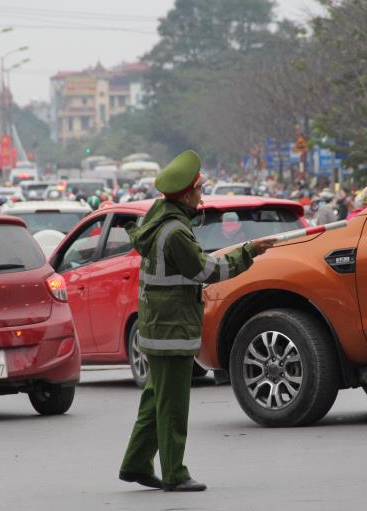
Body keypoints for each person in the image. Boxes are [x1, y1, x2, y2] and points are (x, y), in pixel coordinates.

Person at [119, 150, 275, 492]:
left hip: (159, 327)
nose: (202, 195)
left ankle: (136, 464)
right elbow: (207, 271)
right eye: (200, 189)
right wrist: (249, 252)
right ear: (187, 194)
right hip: (171, 329)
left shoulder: (159, 220)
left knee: (155, 401)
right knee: (172, 406)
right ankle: (174, 474)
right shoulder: (175, 232)